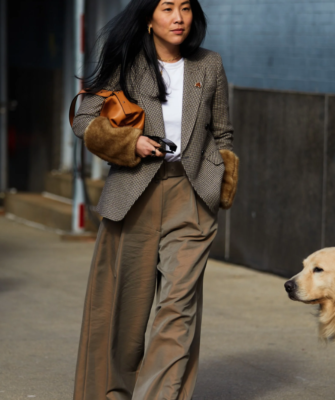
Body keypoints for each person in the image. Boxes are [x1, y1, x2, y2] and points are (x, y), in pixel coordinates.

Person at [71, 0, 239, 399]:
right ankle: (114, 393)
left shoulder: (209, 64)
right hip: (135, 194)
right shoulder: (126, 62)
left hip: (192, 195)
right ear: (149, 17)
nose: (178, 18)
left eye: (185, 8)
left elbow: (224, 131)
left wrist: (221, 180)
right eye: (167, 8)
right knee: (124, 315)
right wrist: (131, 141)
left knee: (178, 309)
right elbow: (84, 120)